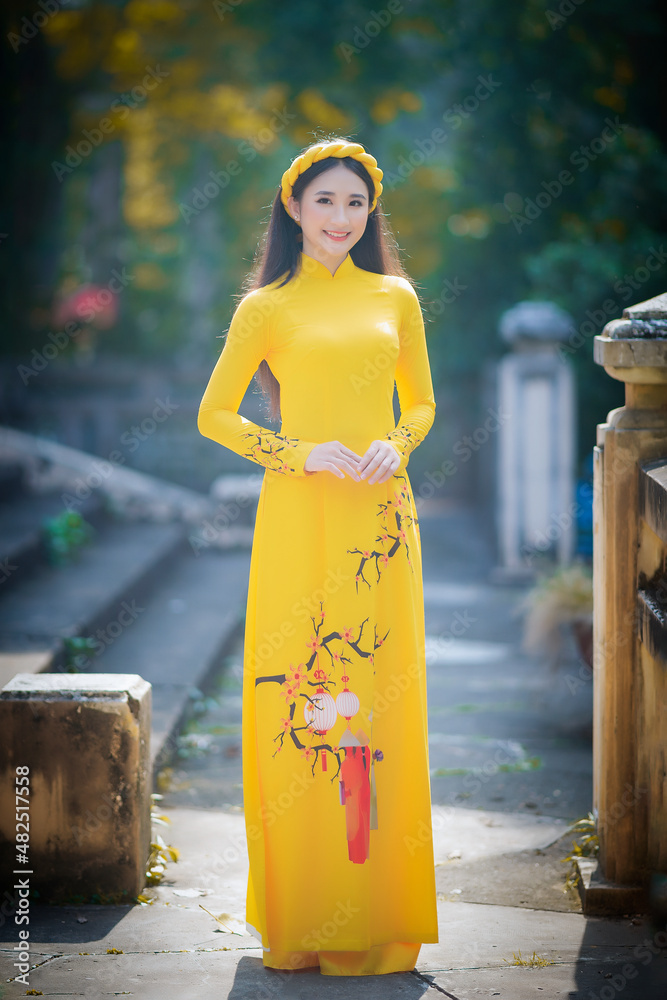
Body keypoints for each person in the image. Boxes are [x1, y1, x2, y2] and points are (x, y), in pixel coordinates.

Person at [197, 137, 439, 977]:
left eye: (356, 204)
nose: (341, 218)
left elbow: (424, 403)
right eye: (325, 201)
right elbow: (215, 417)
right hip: (299, 517)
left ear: (370, 216)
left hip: (379, 522)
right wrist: (299, 453)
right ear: (293, 209)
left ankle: (377, 922)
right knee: (301, 703)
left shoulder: (395, 296)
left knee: (376, 699)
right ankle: (302, 921)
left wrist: (394, 446)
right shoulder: (265, 307)